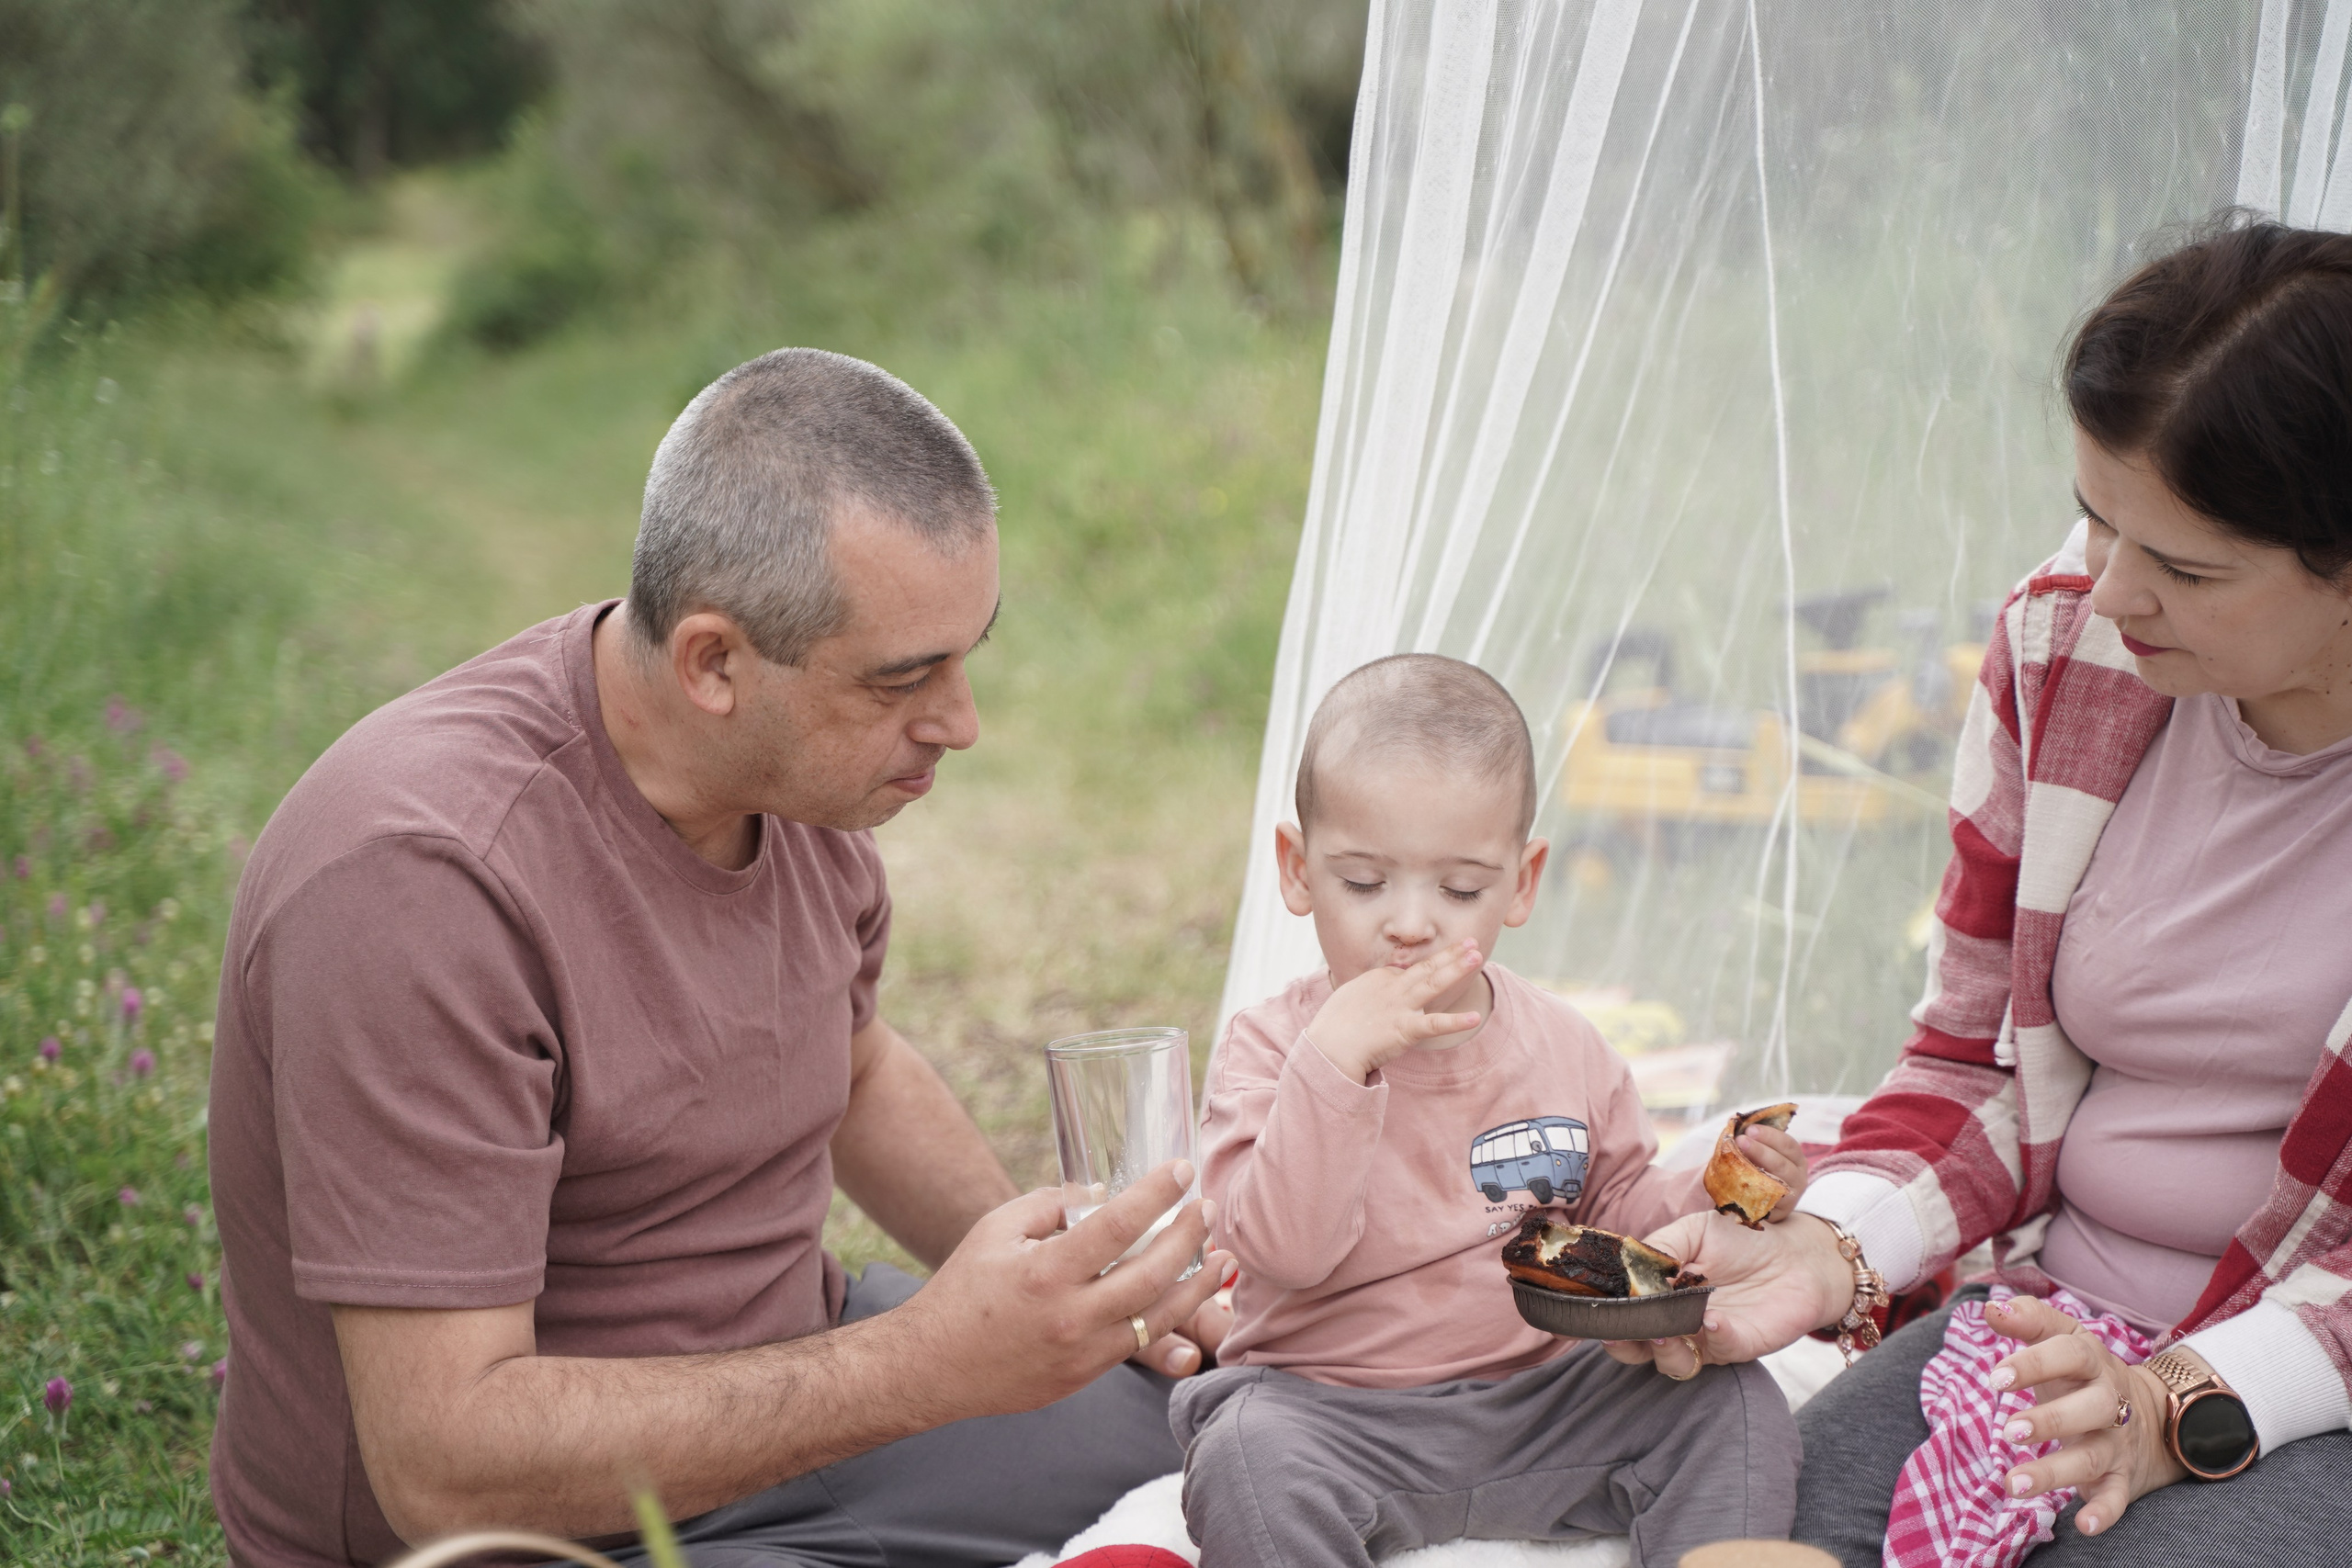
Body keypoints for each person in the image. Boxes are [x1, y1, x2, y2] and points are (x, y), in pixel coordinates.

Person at [206, 348, 1235, 1568]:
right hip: (533, 1527)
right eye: (906, 679)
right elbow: (443, 1461)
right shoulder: (419, 880)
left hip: (810, 1396)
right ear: (713, 664)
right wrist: (925, 1363)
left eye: (969, 655)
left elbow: (849, 1066)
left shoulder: (800, 778)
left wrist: (1089, 1284)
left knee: (1251, 1443)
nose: (961, 723)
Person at [1606, 219, 2352, 1566]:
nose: (2110, 588)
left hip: (2309, 1382)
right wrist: (1833, 1250)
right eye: (2095, 515)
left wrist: (2166, 1405)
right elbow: (1977, 1060)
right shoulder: (2068, 650)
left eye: (2181, 565)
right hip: (2048, 1324)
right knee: (1746, 1527)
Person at [1171, 654, 1809, 1567]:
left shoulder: (1562, 1045)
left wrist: (1722, 1191)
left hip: (1543, 1397)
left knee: (1731, 1400)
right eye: (1363, 882)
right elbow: (1285, 1250)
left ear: (1520, 882)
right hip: (1331, 1410)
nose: (1410, 923)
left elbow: (1619, 1220)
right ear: (1296, 868)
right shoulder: (1274, 1050)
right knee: (1243, 1461)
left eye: (1459, 889)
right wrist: (1337, 1067)